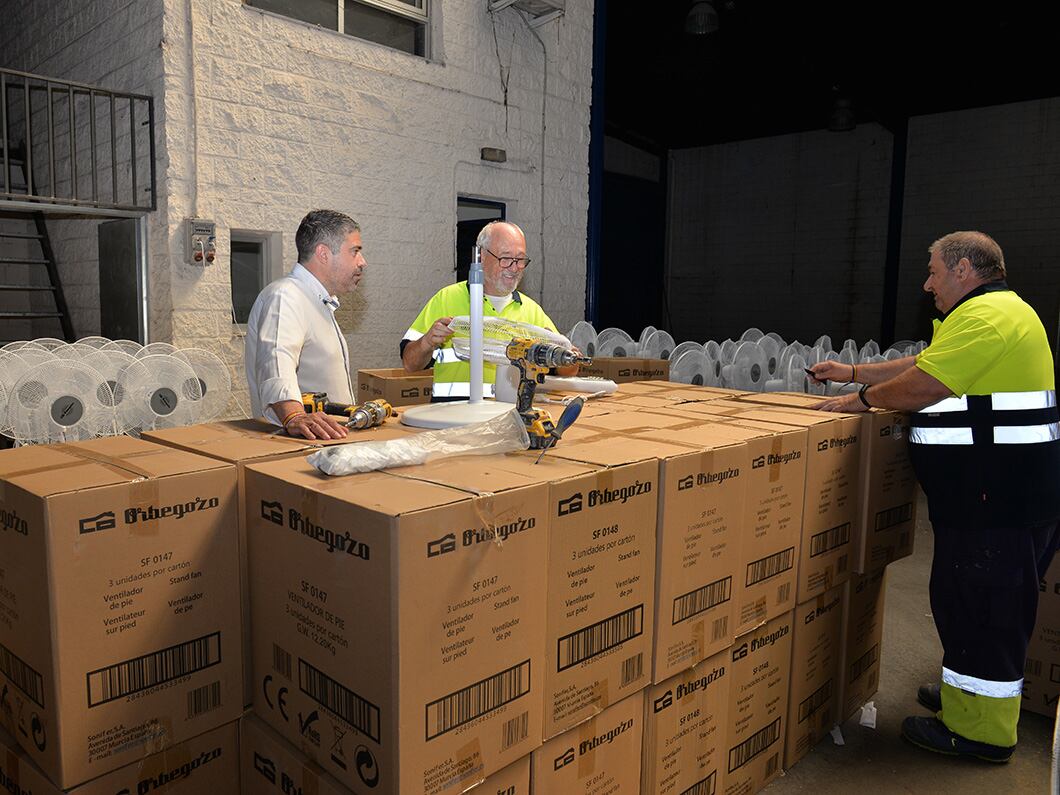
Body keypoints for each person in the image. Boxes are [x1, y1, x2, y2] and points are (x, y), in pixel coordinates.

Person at [812, 231, 1060, 762]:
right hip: (991, 497)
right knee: (965, 602)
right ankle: (962, 696)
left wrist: (861, 400)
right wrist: (853, 373)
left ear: (965, 269)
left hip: (998, 499)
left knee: (986, 609)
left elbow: (925, 386)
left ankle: (981, 732)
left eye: (933, 272)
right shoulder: (988, 315)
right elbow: (921, 365)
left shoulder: (988, 317)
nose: (927, 285)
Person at [401, 221, 563, 401]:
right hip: (453, 419)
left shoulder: (532, 311)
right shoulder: (447, 299)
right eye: (506, 258)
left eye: (520, 259)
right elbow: (409, 363)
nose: (515, 267)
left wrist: (563, 352)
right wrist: (427, 342)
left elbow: (569, 369)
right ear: (483, 256)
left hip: (510, 420)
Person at [245, 209, 366, 440]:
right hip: (304, 444)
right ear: (323, 253)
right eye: (355, 251)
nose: (362, 262)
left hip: (327, 438)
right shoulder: (286, 296)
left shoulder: (318, 302)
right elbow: (276, 361)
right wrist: (294, 417)